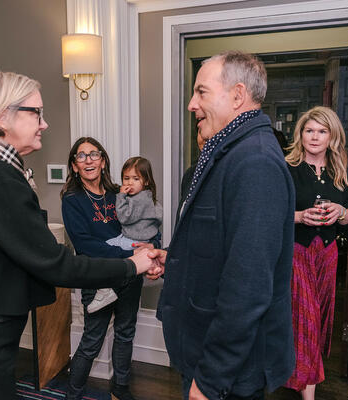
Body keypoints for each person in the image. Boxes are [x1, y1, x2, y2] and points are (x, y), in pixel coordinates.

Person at [0, 72, 157, 400]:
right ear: (0, 116)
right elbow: (54, 263)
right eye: (36, 112)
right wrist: (132, 266)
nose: (44, 123)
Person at [148, 51, 296, 400]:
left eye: (201, 92)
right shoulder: (227, 152)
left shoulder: (254, 163)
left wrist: (211, 379)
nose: (191, 104)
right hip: (206, 354)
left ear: (237, 95)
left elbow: (248, 287)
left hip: (227, 373)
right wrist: (174, 259)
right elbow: (221, 246)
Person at [61, 138, 158, 400]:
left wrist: (152, 248)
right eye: (82, 156)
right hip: (98, 278)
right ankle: (74, 395)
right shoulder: (72, 200)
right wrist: (131, 255)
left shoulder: (121, 192)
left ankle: (120, 391)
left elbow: (146, 222)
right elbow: (86, 245)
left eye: (94, 154)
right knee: (92, 341)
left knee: (126, 334)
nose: (89, 160)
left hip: (130, 277)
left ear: (103, 161)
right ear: (75, 165)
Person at [283, 106, 348, 400]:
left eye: (322, 131)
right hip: (295, 253)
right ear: (300, 134)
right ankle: (308, 394)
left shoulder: (339, 169)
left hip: (327, 256)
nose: (315, 137)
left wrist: (342, 211)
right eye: (309, 130)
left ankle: (298, 376)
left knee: (320, 319)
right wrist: (300, 216)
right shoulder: (286, 167)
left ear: (332, 136)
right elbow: (268, 211)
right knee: (307, 319)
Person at [88, 156, 162, 313]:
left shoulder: (139, 199)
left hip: (132, 241)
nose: (129, 183)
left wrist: (120, 196)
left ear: (146, 181)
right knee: (107, 249)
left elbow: (124, 217)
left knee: (104, 255)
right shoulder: (149, 198)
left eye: (136, 178)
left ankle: (105, 289)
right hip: (134, 238)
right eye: (126, 178)